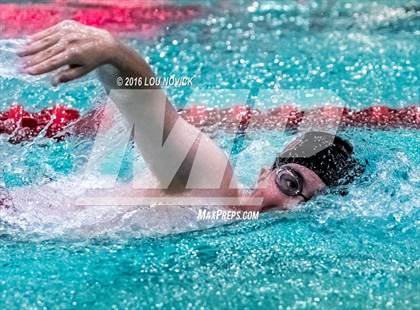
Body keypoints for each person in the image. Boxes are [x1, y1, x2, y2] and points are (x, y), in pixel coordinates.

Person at [14, 20, 364, 213]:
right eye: (290, 184)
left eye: (310, 206)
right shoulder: (215, 183)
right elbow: (153, 117)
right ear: (263, 173)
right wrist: (113, 53)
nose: (290, 208)